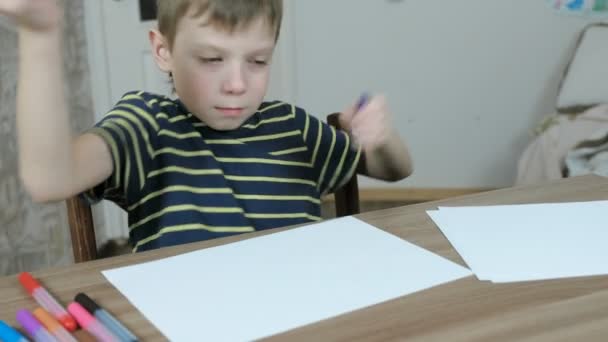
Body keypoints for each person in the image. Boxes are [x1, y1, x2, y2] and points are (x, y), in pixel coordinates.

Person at [2, 0, 413, 252]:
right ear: (163, 51)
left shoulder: (291, 127)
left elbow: (396, 170)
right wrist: (41, 35)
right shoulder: (146, 126)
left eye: (257, 61)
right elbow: (49, 179)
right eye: (212, 59)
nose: (237, 84)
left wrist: (381, 137)